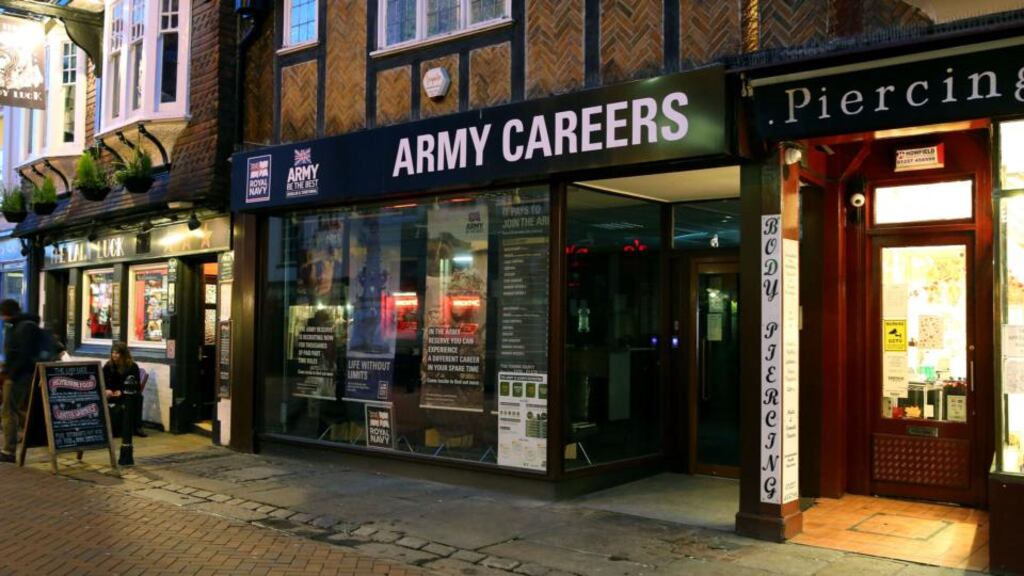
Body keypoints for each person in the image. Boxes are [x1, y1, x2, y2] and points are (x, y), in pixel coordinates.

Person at [0, 299, 45, 463]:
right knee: (13, 409)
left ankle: (9, 450)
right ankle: (37, 431)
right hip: (18, 374)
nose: (2, 318)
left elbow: (23, 355)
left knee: (8, 411)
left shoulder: (24, 327)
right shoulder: (17, 325)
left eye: (2, 314)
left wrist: (10, 374)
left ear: (7, 313)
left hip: (18, 376)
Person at [103, 342, 145, 438]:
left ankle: (137, 427)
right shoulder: (108, 366)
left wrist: (122, 391)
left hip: (126, 395)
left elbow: (136, 385)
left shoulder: (132, 367)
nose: (114, 355)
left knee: (139, 397)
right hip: (111, 395)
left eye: (117, 353)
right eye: (113, 353)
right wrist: (106, 390)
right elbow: (102, 380)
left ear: (123, 354)